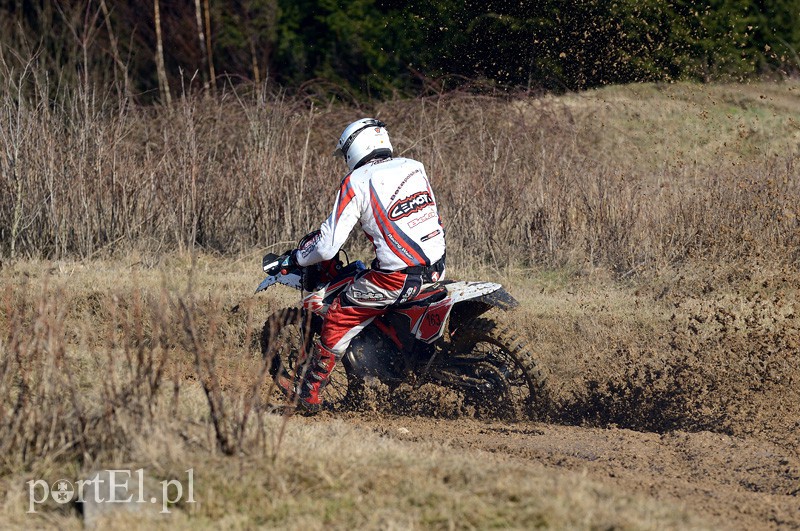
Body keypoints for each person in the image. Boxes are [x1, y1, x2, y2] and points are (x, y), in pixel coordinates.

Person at [277, 118, 446, 412]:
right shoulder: (414, 166)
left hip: (397, 278)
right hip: (436, 267)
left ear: (354, 149)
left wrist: (297, 257)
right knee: (371, 280)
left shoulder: (356, 181)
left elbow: (328, 245)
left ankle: (309, 393)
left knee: (339, 313)